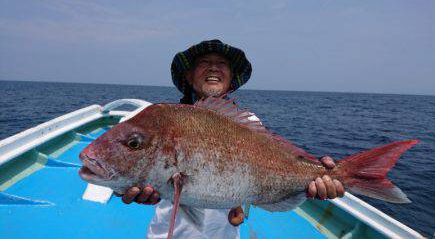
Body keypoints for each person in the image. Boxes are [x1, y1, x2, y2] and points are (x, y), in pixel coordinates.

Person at [116, 40, 345, 238]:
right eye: (205, 62)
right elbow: (131, 168)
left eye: (222, 63)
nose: (214, 67)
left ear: (230, 77)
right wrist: (122, 186)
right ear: (189, 75)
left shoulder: (249, 122)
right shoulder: (163, 122)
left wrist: (316, 174)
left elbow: (251, 177)